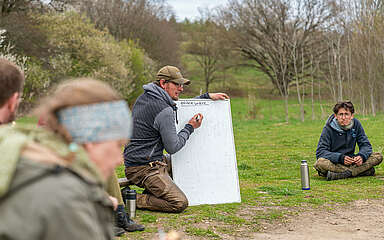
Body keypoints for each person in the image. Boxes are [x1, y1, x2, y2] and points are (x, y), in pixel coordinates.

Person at [0, 77, 135, 239]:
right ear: (91, 139)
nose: (119, 159)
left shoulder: (24, 163)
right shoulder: (68, 200)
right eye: (117, 144)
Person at [124, 65, 229, 212]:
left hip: (140, 161)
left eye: (182, 85)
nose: (181, 88)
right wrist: (190, 127)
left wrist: (205, 97)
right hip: (144, 168)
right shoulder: (163, 109)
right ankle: (131, 198)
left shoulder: (145, 97)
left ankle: (155, 190)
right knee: (179, 202)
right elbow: (173, 147)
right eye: (177, 84)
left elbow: (177, 106)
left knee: (187, 161)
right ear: (163, 83)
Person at [314, 101, 383, 181]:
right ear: (335, 116)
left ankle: (341, 174)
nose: (343, 118)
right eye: (341, 114)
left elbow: (366, 145)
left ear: (352, 116)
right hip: (335, 162)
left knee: (378, 156)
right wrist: (340, 158)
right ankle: (360, 172)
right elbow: (320, 152)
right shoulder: (328, 128)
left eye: (346, 114)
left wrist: (361, 156)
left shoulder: (356, 124)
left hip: (352, 161)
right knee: (320, 163)